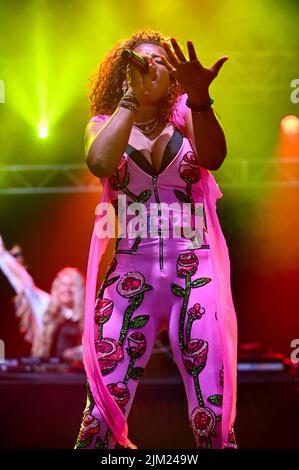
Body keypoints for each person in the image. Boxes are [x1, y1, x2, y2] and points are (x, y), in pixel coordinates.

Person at [75, 29, 238, 450]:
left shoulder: (187, 113)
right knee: (101, 410)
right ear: (123, 72)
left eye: (160, 60)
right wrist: (129, 100)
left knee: (211, 406)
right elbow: (99, 162)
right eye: (140, 60)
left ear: (176, 75)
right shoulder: (101, 125)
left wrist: (201, 99)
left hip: (195, 270)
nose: (151, 66)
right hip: (131, 271)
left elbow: (215, 158)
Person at [0, 234, 85, 360]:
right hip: (47, 372)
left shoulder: (86, 315)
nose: (67, 289)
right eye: (63, 284)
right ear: (57, 287)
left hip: (75, 375)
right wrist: (3, 256)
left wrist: (77, 352)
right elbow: (25, 284)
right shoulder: (47, 306)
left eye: (71, 285)